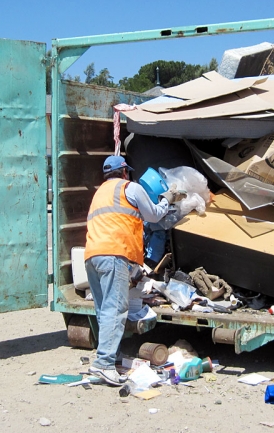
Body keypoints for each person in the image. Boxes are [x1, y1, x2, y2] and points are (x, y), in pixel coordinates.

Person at [84, 155, 177, 385]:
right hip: (114, 253)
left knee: (104, 310)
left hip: (92, 256)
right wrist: (167, 198)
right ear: (124, 172)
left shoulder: (99, 193)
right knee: (115, 310)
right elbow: (154, 215)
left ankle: (111, 356)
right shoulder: (130, 188)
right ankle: (104, 364)